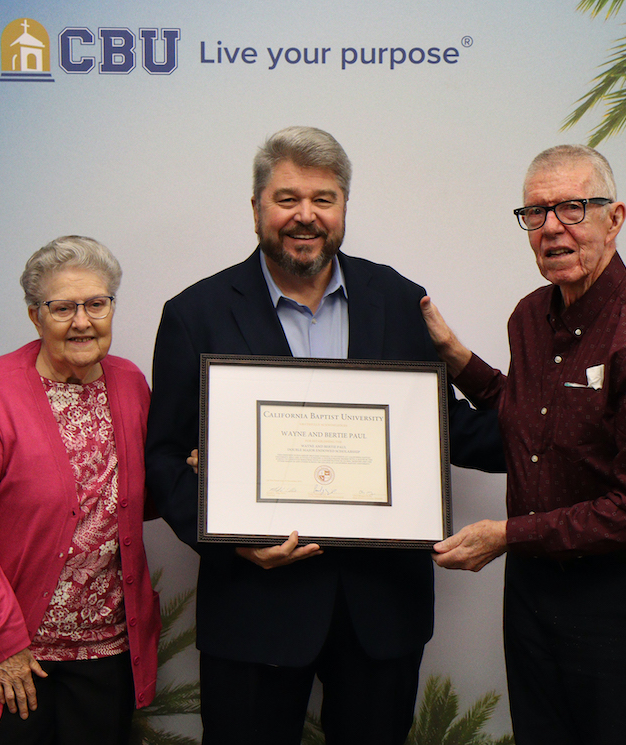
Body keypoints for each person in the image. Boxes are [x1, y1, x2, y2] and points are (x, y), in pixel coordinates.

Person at [145, 125, 503, 745]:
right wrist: (231, 542)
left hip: (381, 611)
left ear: (343, 208)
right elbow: (163, 458)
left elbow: (443, 429)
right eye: (286, 199)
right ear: (256, 207)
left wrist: (556, 430)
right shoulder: (194, 313)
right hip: (254, 609)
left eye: (323, 198)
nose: (305, 216)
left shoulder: (397, 299)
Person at [420, 144, 626, 745]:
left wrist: (506, 535)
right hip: (537, 596)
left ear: (615, 218)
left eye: (573, 208)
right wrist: (457, 359)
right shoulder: (528, 317)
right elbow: (534, 428)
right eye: (536, 213)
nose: (552, 227)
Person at [0, 236, 161, 745]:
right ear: (34, 316)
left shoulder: (131, 383)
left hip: (107, 656)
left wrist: (207, 472)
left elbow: (136, 498)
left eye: (96, 304)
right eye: (62, 307)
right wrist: (4, 644)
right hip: (11, 660)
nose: (82, 321)